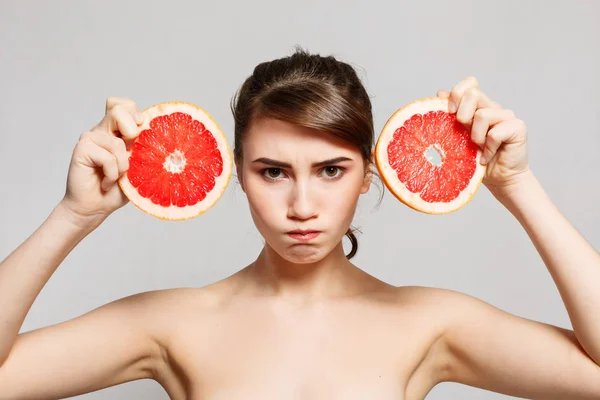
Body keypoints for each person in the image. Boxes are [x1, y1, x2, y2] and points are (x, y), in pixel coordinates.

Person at [0, 48, 599, 400]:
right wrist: (74, 215)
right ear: (235, 173)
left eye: (332, 170)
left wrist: (517, 186)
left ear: (370, 173)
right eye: (273, 171)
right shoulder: (170, 322)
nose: (303, 205)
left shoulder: (431, 323)